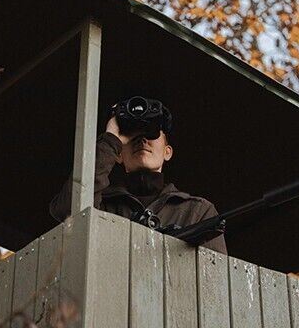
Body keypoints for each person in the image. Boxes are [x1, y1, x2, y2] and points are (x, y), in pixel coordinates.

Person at [49, 100, 227, 254]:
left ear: (167, 152)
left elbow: (214, 275)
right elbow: (69, 211)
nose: (142, 140)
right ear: (118, 154)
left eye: (151, 134)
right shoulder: (100, 205)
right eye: (133, 137)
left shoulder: (198, 211)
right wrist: (111, 139)